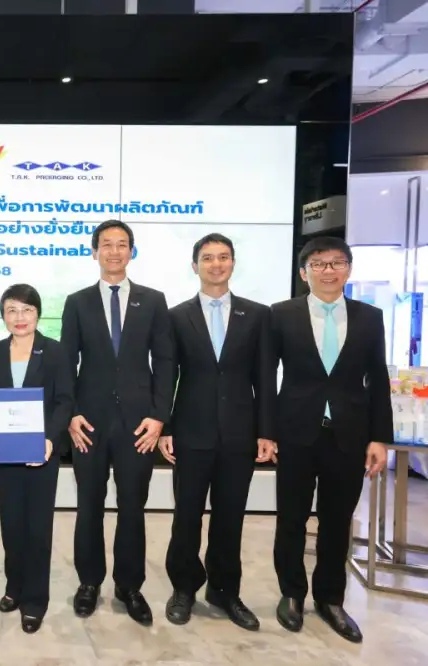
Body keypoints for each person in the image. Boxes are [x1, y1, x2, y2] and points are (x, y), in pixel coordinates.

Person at [271, 237, 389, 644]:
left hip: (349, 435)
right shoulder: (280, 314)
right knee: (291, 519)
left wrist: (380, 437)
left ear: (348, 270)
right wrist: (266, 431)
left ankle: (330, 599)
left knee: (338, 521)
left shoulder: (369, 317)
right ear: (304, 272)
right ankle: (292, 593)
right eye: (319, 264)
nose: (328, 270)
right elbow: (266, 376)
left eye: (337, 263)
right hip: (295, 433)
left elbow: (378, 379)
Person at [159, 233, 277, 630]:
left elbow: (265, 376)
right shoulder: (176, 316)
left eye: (223, 257)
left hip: (240, 434)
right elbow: (168, 376)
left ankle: (225, 591)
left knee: (231, 517)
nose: (216, 264)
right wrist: (166, 426)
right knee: (186, 516)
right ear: (195, 266)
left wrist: (266, 431)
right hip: (190, 432)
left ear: (233, 263)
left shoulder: (257, 314)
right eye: (207, 258)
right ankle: (183, 588)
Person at [60, 219, 174, 626]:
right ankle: (89, 582)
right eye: (106, 244)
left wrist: (159, 417)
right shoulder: (77, 302)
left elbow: (165, 362)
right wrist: (71, 413)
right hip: (88, 423)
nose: (114, 251)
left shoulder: (153, 300)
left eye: (122, 244)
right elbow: (65, 362)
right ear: (94, 252)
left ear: (131, 251)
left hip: (138, 424)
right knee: (89, 504)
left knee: (132, 506)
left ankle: (129, 586)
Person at [0, 284, 73, 634]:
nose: (20, 317)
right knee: (11, 524)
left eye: (27, 310)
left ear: (38, 313)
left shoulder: (55, 352)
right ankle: (14, 587)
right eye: (12, 310)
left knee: (37, 528)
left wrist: (50, 439)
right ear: (3, 316)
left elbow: (65, 400)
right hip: (6, 454)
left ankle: (35, 600)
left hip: (41, 453)